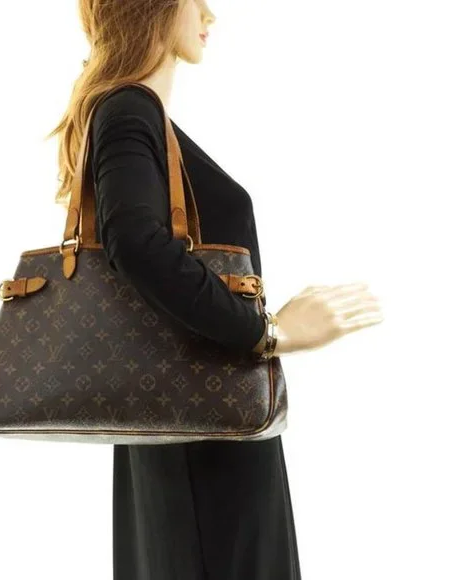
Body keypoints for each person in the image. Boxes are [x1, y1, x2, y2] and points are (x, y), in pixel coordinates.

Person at [47, 1, 384, 578]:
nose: (210, 15)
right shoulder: (128, 109)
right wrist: (265, 332)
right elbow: (136, 243)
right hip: (204, 431)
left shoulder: (129, 111)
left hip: (187, 420)